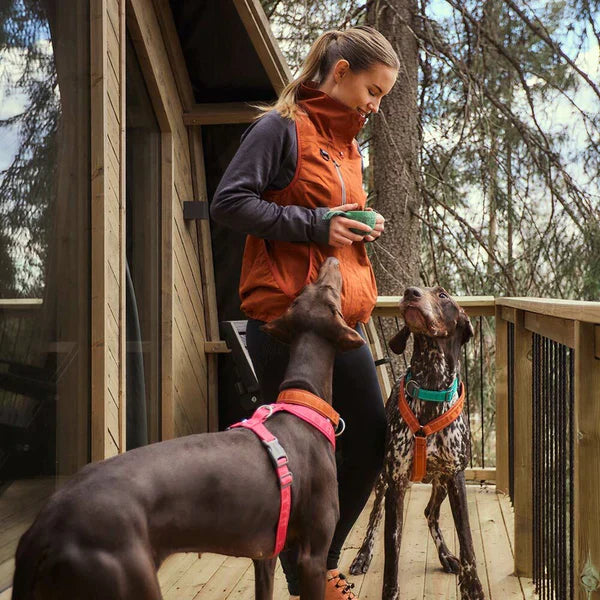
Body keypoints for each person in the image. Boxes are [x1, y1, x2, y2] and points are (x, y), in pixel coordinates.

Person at [211, 25, 399, 600]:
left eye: (383, 97)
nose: (375, 105)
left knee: (369, 438)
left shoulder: (346, 145)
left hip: (342, 321)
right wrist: (317, 224)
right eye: (373, 91)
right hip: (290, 325)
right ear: (340, 73)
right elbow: (230, 203)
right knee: (293, 460)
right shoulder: (279, 128)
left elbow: (326, 220)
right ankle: (306, 575)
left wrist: (357, 225)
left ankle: (317, 562)